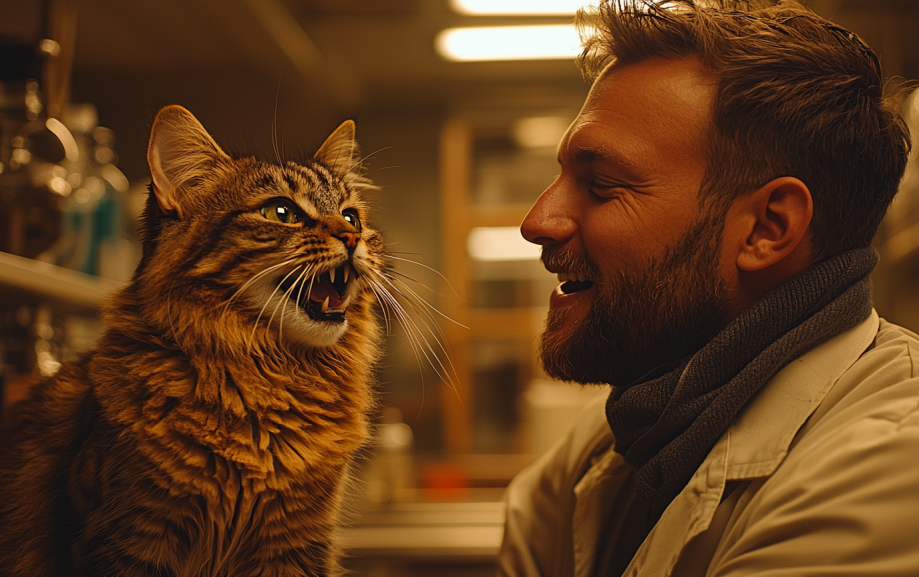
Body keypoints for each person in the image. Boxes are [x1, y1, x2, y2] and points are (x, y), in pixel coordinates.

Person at [497, 1, 919, 576]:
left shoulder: (890, 465)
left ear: (769, 227)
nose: (536, 221)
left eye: (600, 185)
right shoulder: (624, 433)